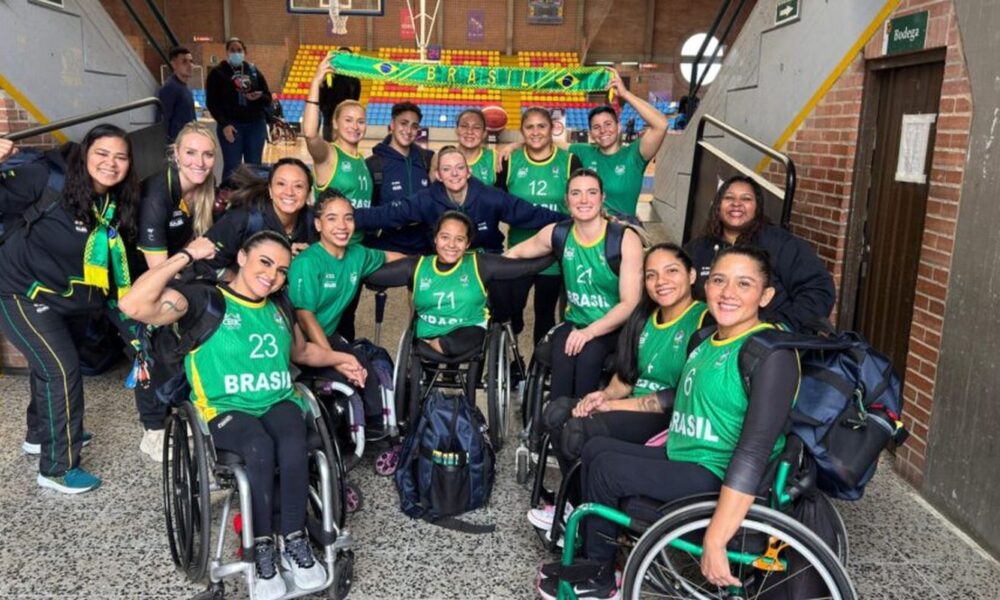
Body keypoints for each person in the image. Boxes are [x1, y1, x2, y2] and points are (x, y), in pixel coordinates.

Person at [535, 246, 800, 600]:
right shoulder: (708, 340)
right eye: (719, 280)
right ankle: (597, 562)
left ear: (765, 295)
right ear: (706, 285)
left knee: (608, 468)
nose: (728, 293)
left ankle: (601, 580)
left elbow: (753, 451)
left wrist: (717, 538)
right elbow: (673, 397)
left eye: (744, 284)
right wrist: (612, 403)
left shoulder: (771, 354)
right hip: (685, 452)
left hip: (715, 471)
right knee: (595, 449)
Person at [119, 232, 343, 600]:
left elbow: (301, 353)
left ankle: (295, 540)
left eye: (281, 270)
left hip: (277, 399)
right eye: (265, 263)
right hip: (225, 408)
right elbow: (133, 305)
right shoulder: (204, 300)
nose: (272, 276)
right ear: (242, 257)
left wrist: (342, 360)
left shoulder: (279, 307)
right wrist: (186, 255)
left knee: (292, 440)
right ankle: (261, 549)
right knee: (257, 446)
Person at [0, 124, 147, 492]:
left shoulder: (114, 203)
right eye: (101, 154)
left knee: (47, 366)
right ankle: (56, 468)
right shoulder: (45, 178)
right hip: (21, 290)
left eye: (120, 157)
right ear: (84, 155)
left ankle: (39, 435)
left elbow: (116, 272)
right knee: (61, 371)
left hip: (67, 298)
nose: (111, 164)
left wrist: (137, 332)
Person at [528, 244, 710, 529]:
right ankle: (576, 507)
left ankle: (590, 520)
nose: (661, 281)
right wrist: (603, 395)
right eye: (651, 275)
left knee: (580, 429)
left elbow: (681, 396)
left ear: (691, 275)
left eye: (671, 271)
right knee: (559, 412)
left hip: (668, 417)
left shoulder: (704, 321)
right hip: (631, 407)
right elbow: (625, 377)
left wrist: (613, 405)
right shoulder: (643, 318)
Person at [364, 211, 555, 423]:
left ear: (468, 243)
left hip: (468, 331)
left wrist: (560, 250)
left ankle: (439, 349)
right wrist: (348, 259)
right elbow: (373, 275)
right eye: (445, 237)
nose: (451, 245)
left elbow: (526, 267)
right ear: (435, 239)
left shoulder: (479, 263)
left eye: (459, 239)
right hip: (428, 331)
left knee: (460, 341)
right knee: (426, 342)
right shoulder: (417, 266)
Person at [507, 168, 643, 403]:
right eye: (576, 193)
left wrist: (589, 332)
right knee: (562, 352)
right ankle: (557, 425)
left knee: (589, 355)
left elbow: (630, 304)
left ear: (602, 198)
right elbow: (516, 253)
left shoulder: (623, 238)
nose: (583, 200)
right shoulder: (558, 233)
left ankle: (581, 424)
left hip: (613, 326)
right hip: (575, 323)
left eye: (591, 193)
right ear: (566, 200)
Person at [288, 191, 406, 428]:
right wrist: (334, 360)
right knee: (344, 375)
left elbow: (391, 256)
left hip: (328, 336)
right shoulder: (307, 263)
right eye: (332, 218)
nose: (342, 226)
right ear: (318, 224)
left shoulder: (357, 254)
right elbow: (305, 318)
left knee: (364, 365)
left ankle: (378, 430)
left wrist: (429, 264)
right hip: (297, 343)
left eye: (348, 218)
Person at [684, 174, 836, 332]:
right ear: (717, 205)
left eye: (746, 199)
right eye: (729, 198)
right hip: (713, 343)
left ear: (757, 207)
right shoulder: (698, 248)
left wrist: (782, 327)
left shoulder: (780, 243)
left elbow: (818, 288)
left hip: (768, 343)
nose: (737, 204)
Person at [353, 146, 564, 254]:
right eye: (446, 169)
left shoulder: (490, 197)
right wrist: (346, 217)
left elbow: (531, 213)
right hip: (446, 258)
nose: (454, 174)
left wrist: (569, 221)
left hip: (485, 257)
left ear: (468, 171)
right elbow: (388, 214)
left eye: (459, 168)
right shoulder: (426, 199)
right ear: (439, 176)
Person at [497, 107, 582, 344]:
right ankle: (512, 362)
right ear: (522, 131)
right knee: (511, 315)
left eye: (541, 126)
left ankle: (539, 371)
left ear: (552, 128)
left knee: (545, 316)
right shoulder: (509, 160)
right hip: (519, 251)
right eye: (529, 127)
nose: (536, 132)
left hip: (552, 256)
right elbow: (499, 205)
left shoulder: (569, 161)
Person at [569, 73, 668, 221]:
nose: (603, 130)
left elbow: (661, 125)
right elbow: (549, 144)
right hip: (590, 228)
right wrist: (520, 144)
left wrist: (625, 94)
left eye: (608, 124)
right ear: (590, 133)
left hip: (623, 230)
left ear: (619, 127)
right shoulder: (583, 151)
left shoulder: (635, 154)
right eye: (596, 127)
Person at [203, 157, 316, 275]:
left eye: (298, 186)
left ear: (308, 194)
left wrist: (313, 256)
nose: (289, 192)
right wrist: (238, 282)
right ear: (270, 190)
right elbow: (204, 264)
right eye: (281, 184)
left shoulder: (314, 223)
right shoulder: (244, 218)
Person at [138, 121, 220, 270]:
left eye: (208, 155)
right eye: (190, 152)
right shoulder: (155, 196)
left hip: (177, 265)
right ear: (176, 153)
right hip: (144, 276)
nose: (200, 163)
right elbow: (158, 272)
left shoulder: (208, 183)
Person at [303, 54, 372, 210]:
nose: (355, 126)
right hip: (334, 234)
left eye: (360, 121)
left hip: (361, 235)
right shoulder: (328, 154)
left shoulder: (362, 160)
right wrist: (315, 83)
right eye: (348, 120)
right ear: (335, 123)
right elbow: (310, 133)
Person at [365, 101, 435, 254]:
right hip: (387, 248)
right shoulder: (374, 164)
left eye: (414, 126)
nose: (409, 130)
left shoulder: (428, 160)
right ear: (392, 124)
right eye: (403, 123)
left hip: (423, 247)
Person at [205, 37, 273, 180]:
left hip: (255, 125)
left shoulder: (253, 71)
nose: (236, 53)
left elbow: (268, 97)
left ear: (245, 52)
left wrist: (258, 97)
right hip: (231, 126)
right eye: (232, 50)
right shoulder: (218, 73)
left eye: (239, 50)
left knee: (254, 167)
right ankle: (228, 199)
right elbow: (212, 102)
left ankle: (251, 200)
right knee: (232, 167)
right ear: (227, 52)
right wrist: (224, 124)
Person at [318, 47, 361, 143]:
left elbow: (356, 99)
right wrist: (325, 110)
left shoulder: (355, 79)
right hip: (329, 117)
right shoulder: (328, 76)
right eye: (341, 55)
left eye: (346, 56)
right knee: (329, 145)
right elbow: (321, 95)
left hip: (347, 118)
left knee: (345, 143)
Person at [157, 46, 197, 143]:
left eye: (191, 61)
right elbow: (163, 121)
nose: (189, 65)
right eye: (184, 62)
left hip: (188, 140)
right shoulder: (170, 88)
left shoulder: (185, 87)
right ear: (174, 64)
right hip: (176, 144)